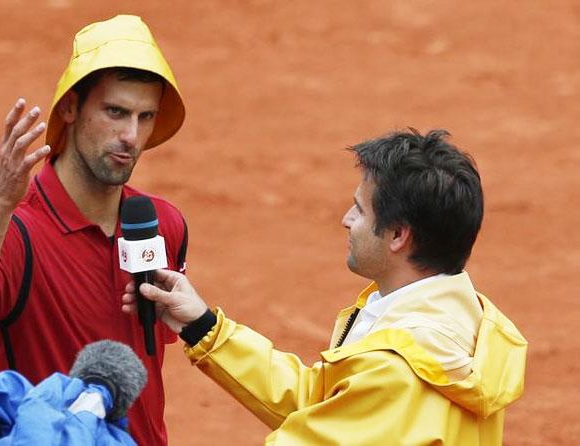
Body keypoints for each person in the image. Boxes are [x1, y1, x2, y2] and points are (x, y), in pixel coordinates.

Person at [124, 129, 528, 445]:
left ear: (398, 235)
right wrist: (203, 326)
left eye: (361, 209)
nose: (346, 219)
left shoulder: (395, 367)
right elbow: (325, 407)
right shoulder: (462, 316)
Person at [0, 15, 188, 445]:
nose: (131, 136)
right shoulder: (14, 229)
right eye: (115, 112)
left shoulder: (163, 225)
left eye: (146, 117)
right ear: (70, 107)